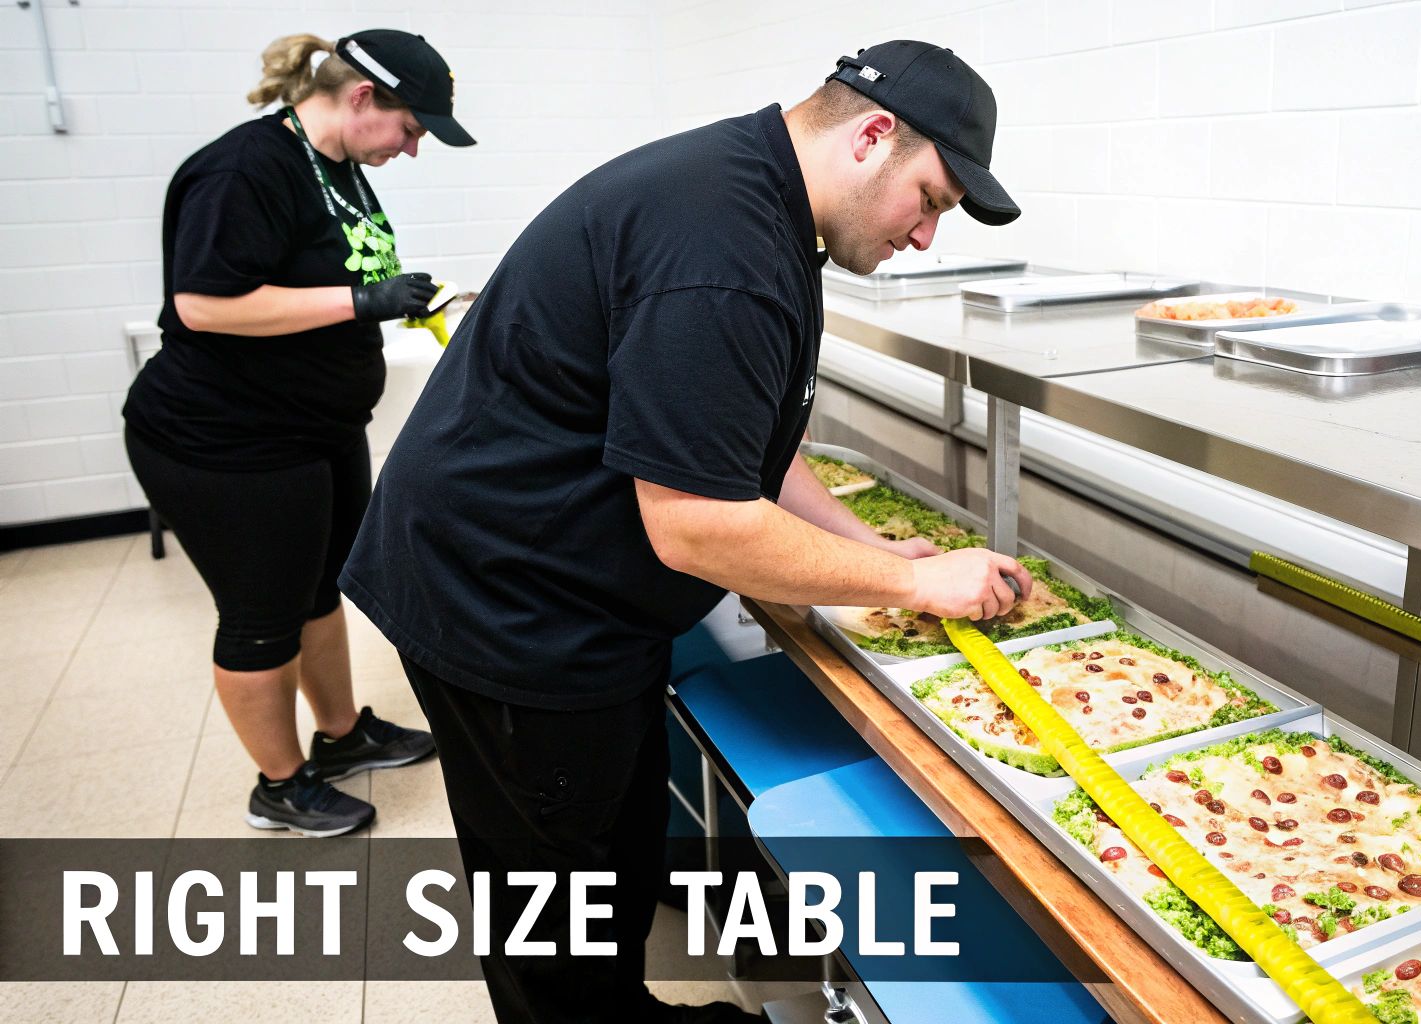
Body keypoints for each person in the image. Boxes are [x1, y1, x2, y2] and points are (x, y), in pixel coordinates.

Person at [340, 39, 1027, 1022]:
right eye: (928, 198)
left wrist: (872, 550)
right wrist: (916, 587)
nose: (924, 235)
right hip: (506, 600)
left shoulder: (759, 200)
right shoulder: (725, 244)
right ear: (873, 136)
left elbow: (737, 438)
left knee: (612, 851)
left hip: (558, 579)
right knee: (555, 907)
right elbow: (699, 526)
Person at [121, 30, 475, 837]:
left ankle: (343, 734)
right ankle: (279, 786)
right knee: (262, 613)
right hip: (225, 440)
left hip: (315, 426)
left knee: (321, 588)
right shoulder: (244, 169)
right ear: (361, 99)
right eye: (412, 129)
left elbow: (322, 272)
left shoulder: (339, 164)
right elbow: (201, 306)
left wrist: (396, 297)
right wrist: (363, 303)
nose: (413, 149)